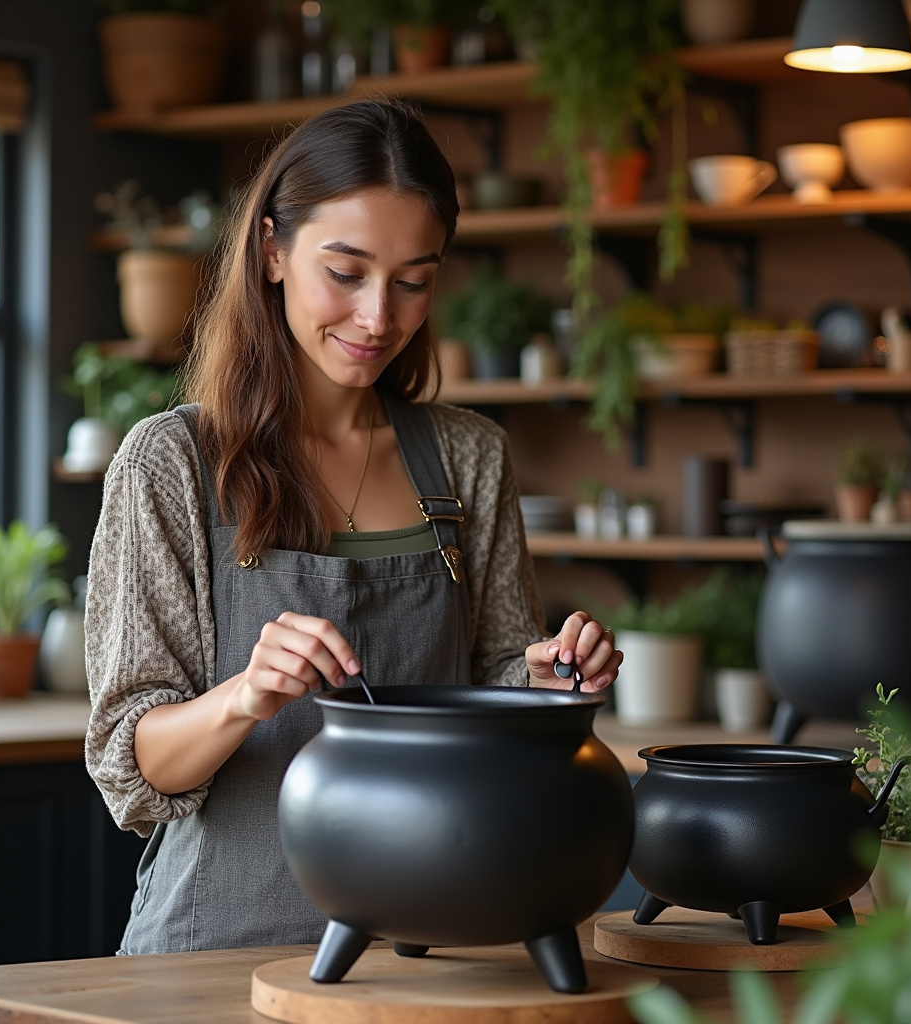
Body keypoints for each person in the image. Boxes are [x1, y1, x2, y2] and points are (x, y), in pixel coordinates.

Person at [84, 98, 623, 955]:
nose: (379, 318)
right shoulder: (171, 465)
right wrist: (245, 697)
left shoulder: (469, 459)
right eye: (346, 272)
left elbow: (494, 682)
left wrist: (548, 682)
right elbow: (132, 766)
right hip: (212, 951)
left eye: (413, 281)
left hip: (434, 947)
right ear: (271, 250)